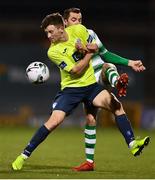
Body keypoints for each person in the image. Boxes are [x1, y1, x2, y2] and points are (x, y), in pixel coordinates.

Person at [12, 12, 150, 171]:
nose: (48, 36)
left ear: (61, 28)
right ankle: (23, 155)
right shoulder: (53, 51)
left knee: (116, 105)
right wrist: (89, 53)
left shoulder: (79, 30)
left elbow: (98, 49)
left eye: (50, 32)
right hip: (71, 90)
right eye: (47, 33)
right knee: (54, 121)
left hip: (91, 86)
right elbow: (76, 70)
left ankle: (132, 144)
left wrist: (88, 48)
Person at [63, 7, 147, 171]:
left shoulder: (90, 33)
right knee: (92, 118)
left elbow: (105, 53)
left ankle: (117, 83)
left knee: (107, 66)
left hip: (99, 74)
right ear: (65, 22)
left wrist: (130, 63)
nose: (78, 23)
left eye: (80, 20)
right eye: (74, 20)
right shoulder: (63, 40)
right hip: (85, 83)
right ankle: (90, 162)